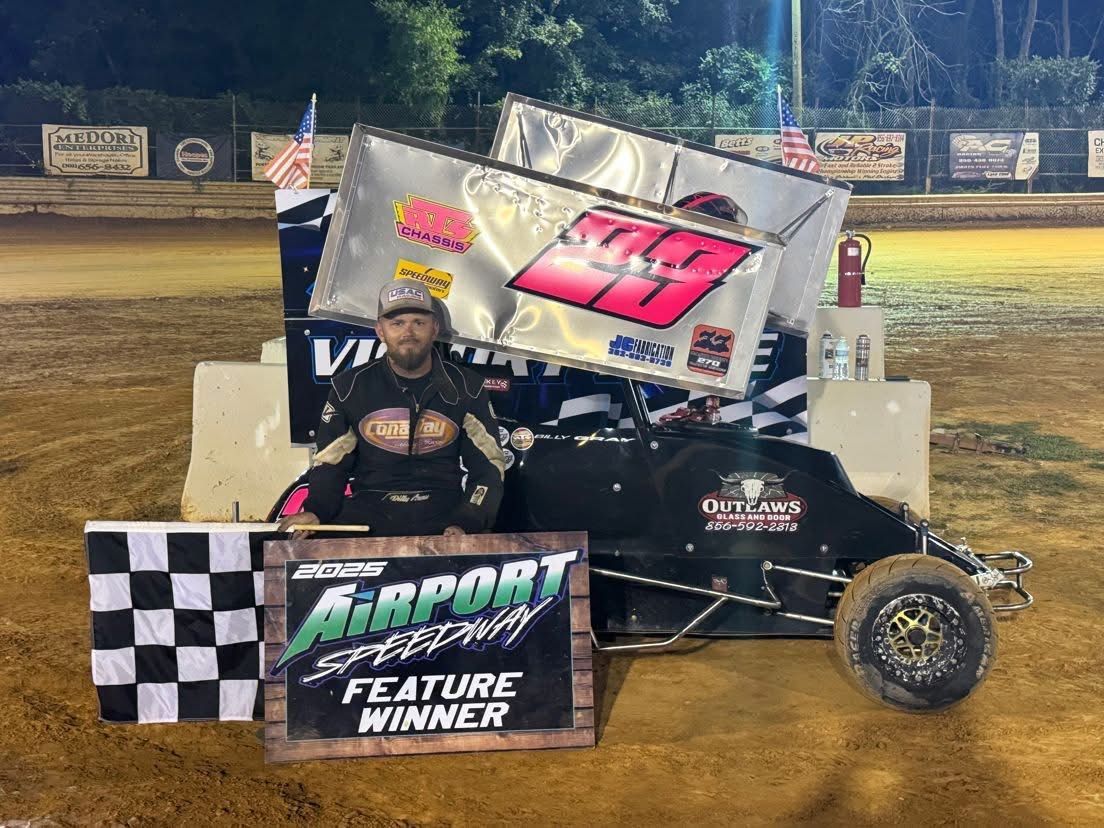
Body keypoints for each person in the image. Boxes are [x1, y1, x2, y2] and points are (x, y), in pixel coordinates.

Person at [277, 279, 505, 537]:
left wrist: (468, 520)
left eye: (418, 322)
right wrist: (316, 510)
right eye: (397, 323)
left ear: (434, 329)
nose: (408, 332)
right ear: (380, 331)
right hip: (370, 511)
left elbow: (488, 466)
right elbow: (331, 464)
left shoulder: (468, 386)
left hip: (445, 515)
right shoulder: (349, 387)